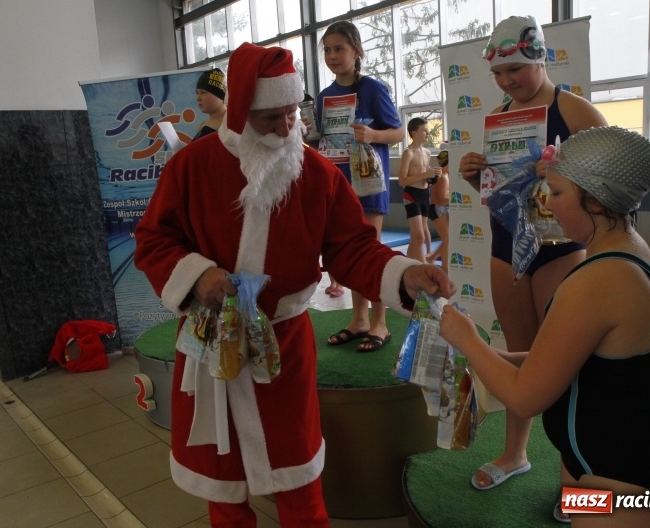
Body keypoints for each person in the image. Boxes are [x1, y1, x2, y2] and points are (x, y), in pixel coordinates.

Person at [133, 42, 455, 527]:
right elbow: (154, 240)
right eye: (270, 118)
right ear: (240, 113)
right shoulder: (192, 167)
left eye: (292, 113)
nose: (287, 129)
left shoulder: (318, 174)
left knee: (299, 480)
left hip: (283, 349)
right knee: (224, 487)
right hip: (208, 343)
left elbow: (351, 248)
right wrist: (198, 276)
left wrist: (405, 273)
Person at [441, 126, 650, 527]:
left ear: (595, 200)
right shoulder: (628, 246)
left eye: (556, 193)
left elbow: (526, 399)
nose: (547, 205)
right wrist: (498, 355)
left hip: (630, 482)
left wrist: (468, 339)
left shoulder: (601, 280)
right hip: (595, 463)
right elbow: (580, 360)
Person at [458, 15, 607, 500]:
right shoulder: (504, 115)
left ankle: (576, 473)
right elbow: (502, 189)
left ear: (539, 58)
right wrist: (473, 174)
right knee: (518, 352)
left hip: (560, 247)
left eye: (516, 70)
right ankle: (516, 453)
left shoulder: (577, 111)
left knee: (566, 362)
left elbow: (619, 186)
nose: (506, 82)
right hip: (507, 245)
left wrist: (564, 173)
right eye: (499, 74)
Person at [313, 20, 406, 353]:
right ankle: (359, 319)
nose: (332, 56)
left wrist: (374, 136)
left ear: (357, 51)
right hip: (336, 187)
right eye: (327, 50)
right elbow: (318, 139)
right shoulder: (324, 97)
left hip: (367, 184)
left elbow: (398, 132)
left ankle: (380, 323)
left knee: (370, 253)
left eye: (339, 48)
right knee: (347, 256)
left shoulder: (372, 89)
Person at [399, 117, 440, 263]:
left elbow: (426, 177)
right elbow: (402, 180)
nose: (427, 133)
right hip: (411, 194)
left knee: (416, 237)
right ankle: (423, 268)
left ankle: (406, 265)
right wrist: (425, 174)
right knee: (419, 236)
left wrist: (434, 176)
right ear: (414, 133)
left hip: (424, 194)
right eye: (424, 130)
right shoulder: (408, 153)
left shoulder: (427, 153)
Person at [426, 144, 450, 271]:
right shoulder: (443, 178)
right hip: (437, 209)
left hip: (439, 209)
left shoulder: (444, 176)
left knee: (447, 239)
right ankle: (445, 268)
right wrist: (457, 200)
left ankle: (431, 258)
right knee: (447, 239)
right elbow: (441, 199)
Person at [192, 68, 227, 140]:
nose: (198, 98)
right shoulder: (200, 127)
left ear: (220, 95)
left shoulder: (233, 125)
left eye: (203, 92)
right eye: (197, 93)